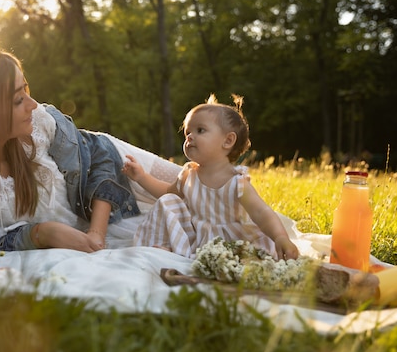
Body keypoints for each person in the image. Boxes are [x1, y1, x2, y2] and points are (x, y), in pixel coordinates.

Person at [0, 40, 181, 253]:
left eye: (25, 90)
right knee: (190, 229)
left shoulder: (38, 126)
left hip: (120, 174)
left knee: (197, 186)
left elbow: (100, 151)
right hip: (99, 223)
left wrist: (96, 231)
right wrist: (42, 233)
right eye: (17, 100)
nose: (33, 104)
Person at [122, 94, 299, 261]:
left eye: (200, 130)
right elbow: (166, 191)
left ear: (228, 141)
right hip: (199, 240)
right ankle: (167, 246)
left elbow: (262, 212)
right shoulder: (188, 175)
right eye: (187, 133)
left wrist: (280, 237)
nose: (190, 136)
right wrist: (141, 177)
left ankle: (195, 256)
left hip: (233, 243)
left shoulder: (236, 183)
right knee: (169, 201)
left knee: (243, 261)